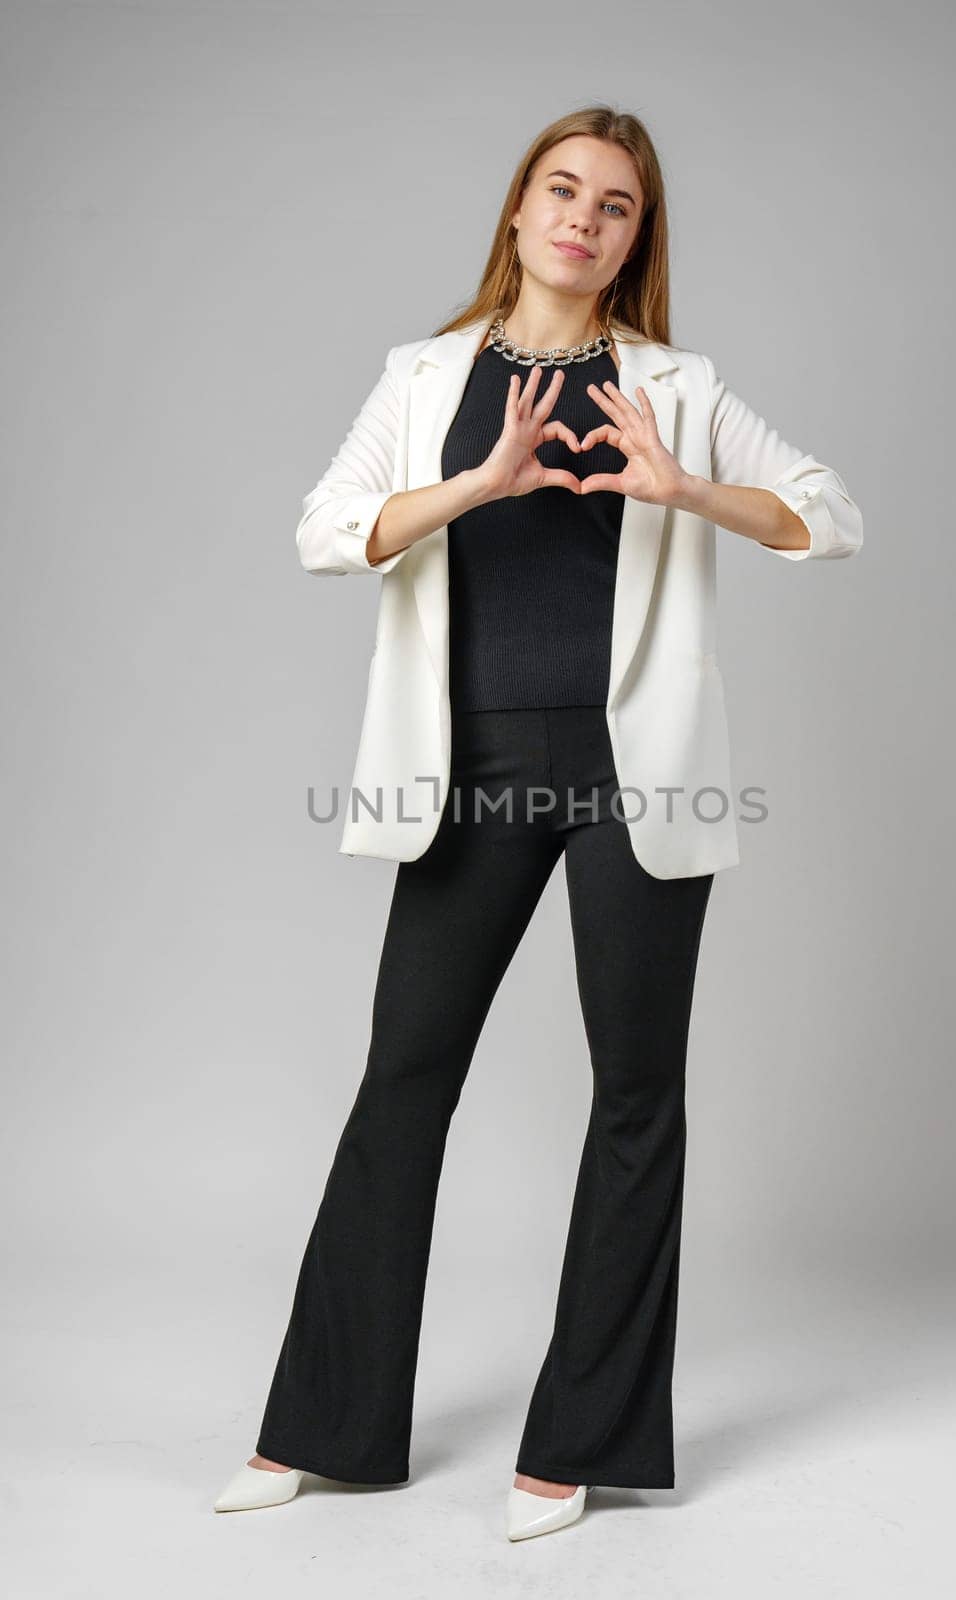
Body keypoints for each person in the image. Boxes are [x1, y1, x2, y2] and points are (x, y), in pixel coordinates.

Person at [214, 104, 862, 1542]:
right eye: (562, 191)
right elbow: (329, 530)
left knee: (637, 1094)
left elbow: (833, 513)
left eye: (616, 205)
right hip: (470, 769)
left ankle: (577, 1442)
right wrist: (478, 486)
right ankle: (321, 1428)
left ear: (636, 239)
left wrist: (688, 489)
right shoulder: (425, 377)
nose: (584, 217)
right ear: (518, 211)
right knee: (405, 1080)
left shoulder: (676, 387)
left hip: (643, 774)